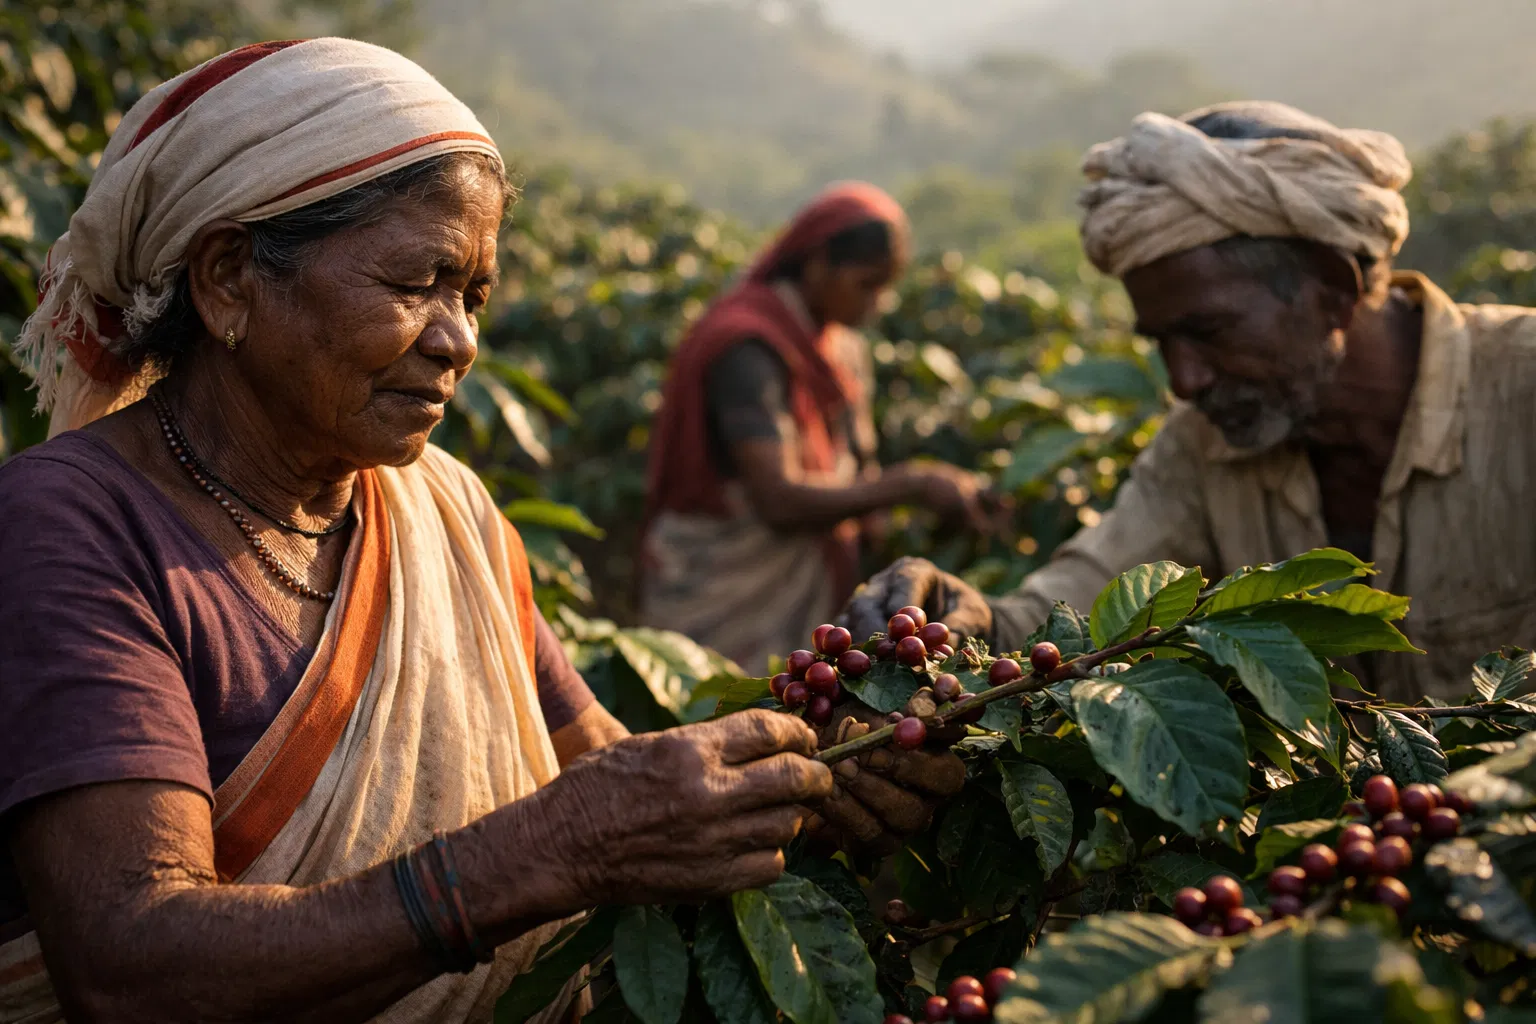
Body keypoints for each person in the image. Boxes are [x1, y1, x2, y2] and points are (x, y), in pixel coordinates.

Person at [0, 40, 958, 1024]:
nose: (459, 340)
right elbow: (131, 966)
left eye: (474, 296)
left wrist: (830, 766)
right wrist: (547, 849)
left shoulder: (448, 512)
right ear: (231, 277)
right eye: (417, 283)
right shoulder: (73, 523)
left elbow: (612, 784)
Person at [845, 100, 1536, 703]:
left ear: (1331, 288)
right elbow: (1075, 604)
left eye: (1208, 332)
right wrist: (967, 617)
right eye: (1161, 342)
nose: (1183, 380)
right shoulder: (1200, 446)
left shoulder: (1522, 392)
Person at [642, 184, 990, 674]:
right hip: (727, 588)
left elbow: (857, 464)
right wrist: (910, 484)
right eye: (867, 283)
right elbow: (777, 499)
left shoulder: (839, 346)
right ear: (817, 263)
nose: (878, 302)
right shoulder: (750, 347)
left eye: (887, 286)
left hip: (801, 583)